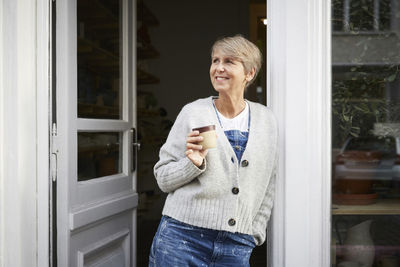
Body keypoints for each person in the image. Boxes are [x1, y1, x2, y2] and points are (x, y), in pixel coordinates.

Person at [149, 35, 278, 267]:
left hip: (237, 243)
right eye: (215, 60)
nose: (218, 68)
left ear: (249, 73)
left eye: (229, 61)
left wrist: (254, 231)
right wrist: (192, 164)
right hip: (181, 237)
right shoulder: (193, 113)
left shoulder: (266, 120)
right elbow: (163, 178)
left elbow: (269, 182)